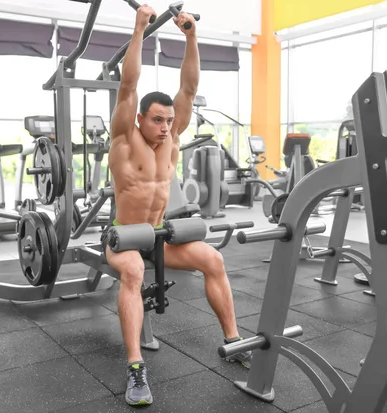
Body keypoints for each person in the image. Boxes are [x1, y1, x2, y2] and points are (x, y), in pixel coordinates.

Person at [103, 4, 251, 407]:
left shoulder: (173, 135)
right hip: (125, 238)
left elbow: (187, 87)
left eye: (169, 120)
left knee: (214, 261)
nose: (166, 126)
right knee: (133, 268)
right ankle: (135, 369)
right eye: (157, 120)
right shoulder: (123, 137)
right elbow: (128, 85)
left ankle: (234, 341)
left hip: (160, 235)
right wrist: (139, 28)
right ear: (139, 119)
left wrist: (190, 36)